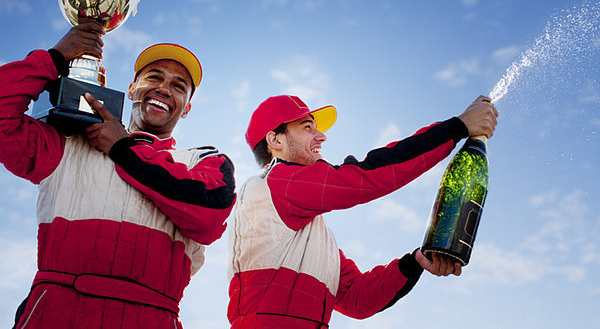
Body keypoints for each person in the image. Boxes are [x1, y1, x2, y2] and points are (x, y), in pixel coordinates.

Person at [1, 23, 236, 329]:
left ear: (187, 108)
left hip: (153, 316)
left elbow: (209, 214)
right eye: (154, 77)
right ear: (131, 89)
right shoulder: (69, 142)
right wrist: (54, 59)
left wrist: (123, 149)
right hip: (57, 313)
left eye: (179, 86)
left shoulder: (204, 160)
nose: (164, 88)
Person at [227, 94, 498, 328]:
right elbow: (363, 178)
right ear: (275, 140)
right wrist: (457, 128)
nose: (321, 136)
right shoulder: (273, 182)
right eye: (307, 127)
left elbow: (358, 298)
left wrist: (415, 261)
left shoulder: (311, 237)